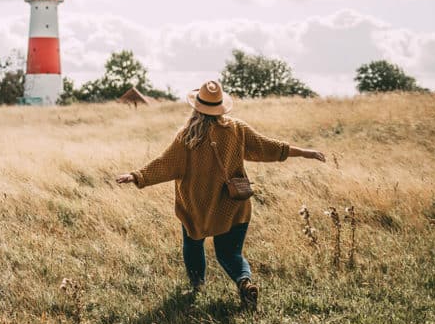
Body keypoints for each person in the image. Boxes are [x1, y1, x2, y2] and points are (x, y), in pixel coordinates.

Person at [116, 80, 325, 309]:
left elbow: (165, 164)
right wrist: (304, 152)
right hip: (234, 205)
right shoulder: (237, 129)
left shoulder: (187, 137)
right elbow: (269, 147)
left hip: (198, 207)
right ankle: (245, 283)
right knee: (229, 253)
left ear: (196, 106)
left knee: (193, 242)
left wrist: (137, 175)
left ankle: (197, 285)